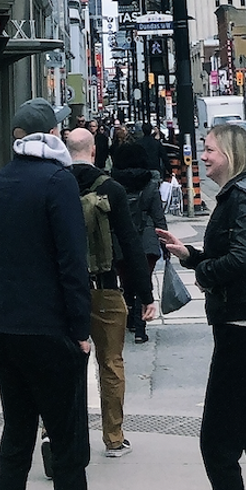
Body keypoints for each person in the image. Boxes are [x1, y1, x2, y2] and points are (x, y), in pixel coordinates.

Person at [157, 124, 246, 490]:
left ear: (230, 155)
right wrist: (191, 255)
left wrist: (202, 273)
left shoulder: (240, 199)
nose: (204, 156)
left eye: (210, 150)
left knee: (217, 448)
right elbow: (240, 256)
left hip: (242, 335)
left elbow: (240, 260)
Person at [0, 97, 92, 490]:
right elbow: (73, 262)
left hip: (5, 330)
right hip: (52, 330)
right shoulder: (59, 182)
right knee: (67, 446)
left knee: (16, 439)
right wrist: (80, 329)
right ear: (50, 135)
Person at [66, 126, 155, 458]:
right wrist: (144, 293)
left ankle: (56, 433)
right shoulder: (111, 190)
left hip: (64, 292)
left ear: (66, 150)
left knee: (65, 365)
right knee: (111, 363)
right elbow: (130, 244)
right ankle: (114, 437)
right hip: (103, 287)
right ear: (93, 152)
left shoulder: (54, 186)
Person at [110, 142, 167, 344]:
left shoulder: (113, 184)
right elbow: (158, 216)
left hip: (119, 240)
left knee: (126, 282)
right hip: (147, 239)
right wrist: (165, 241)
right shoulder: (150, 184)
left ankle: (130, 319)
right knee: (144, 278)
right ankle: (141, 328)